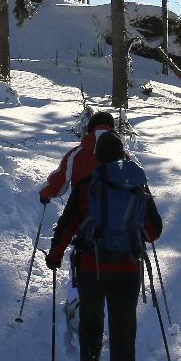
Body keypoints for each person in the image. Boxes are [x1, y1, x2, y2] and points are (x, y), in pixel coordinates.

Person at [45, 130, 162, 361]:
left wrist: (55, 255)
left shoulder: (87, 185)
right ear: (123, 155)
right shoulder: (138, 185)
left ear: (97, 157)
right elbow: (153, 232)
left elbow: (69, 223)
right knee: (124, 329)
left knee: (92, 319)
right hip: (127, 268)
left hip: (91, 266)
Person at [38, 111, 116, 321]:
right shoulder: (122, 155)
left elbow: (59, 183)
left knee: (81, 259)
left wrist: (45, 193)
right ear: (112, 129)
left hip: (83, 223)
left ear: (89, 129)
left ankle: (79, 299)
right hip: (116, 227)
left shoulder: (77, 154)